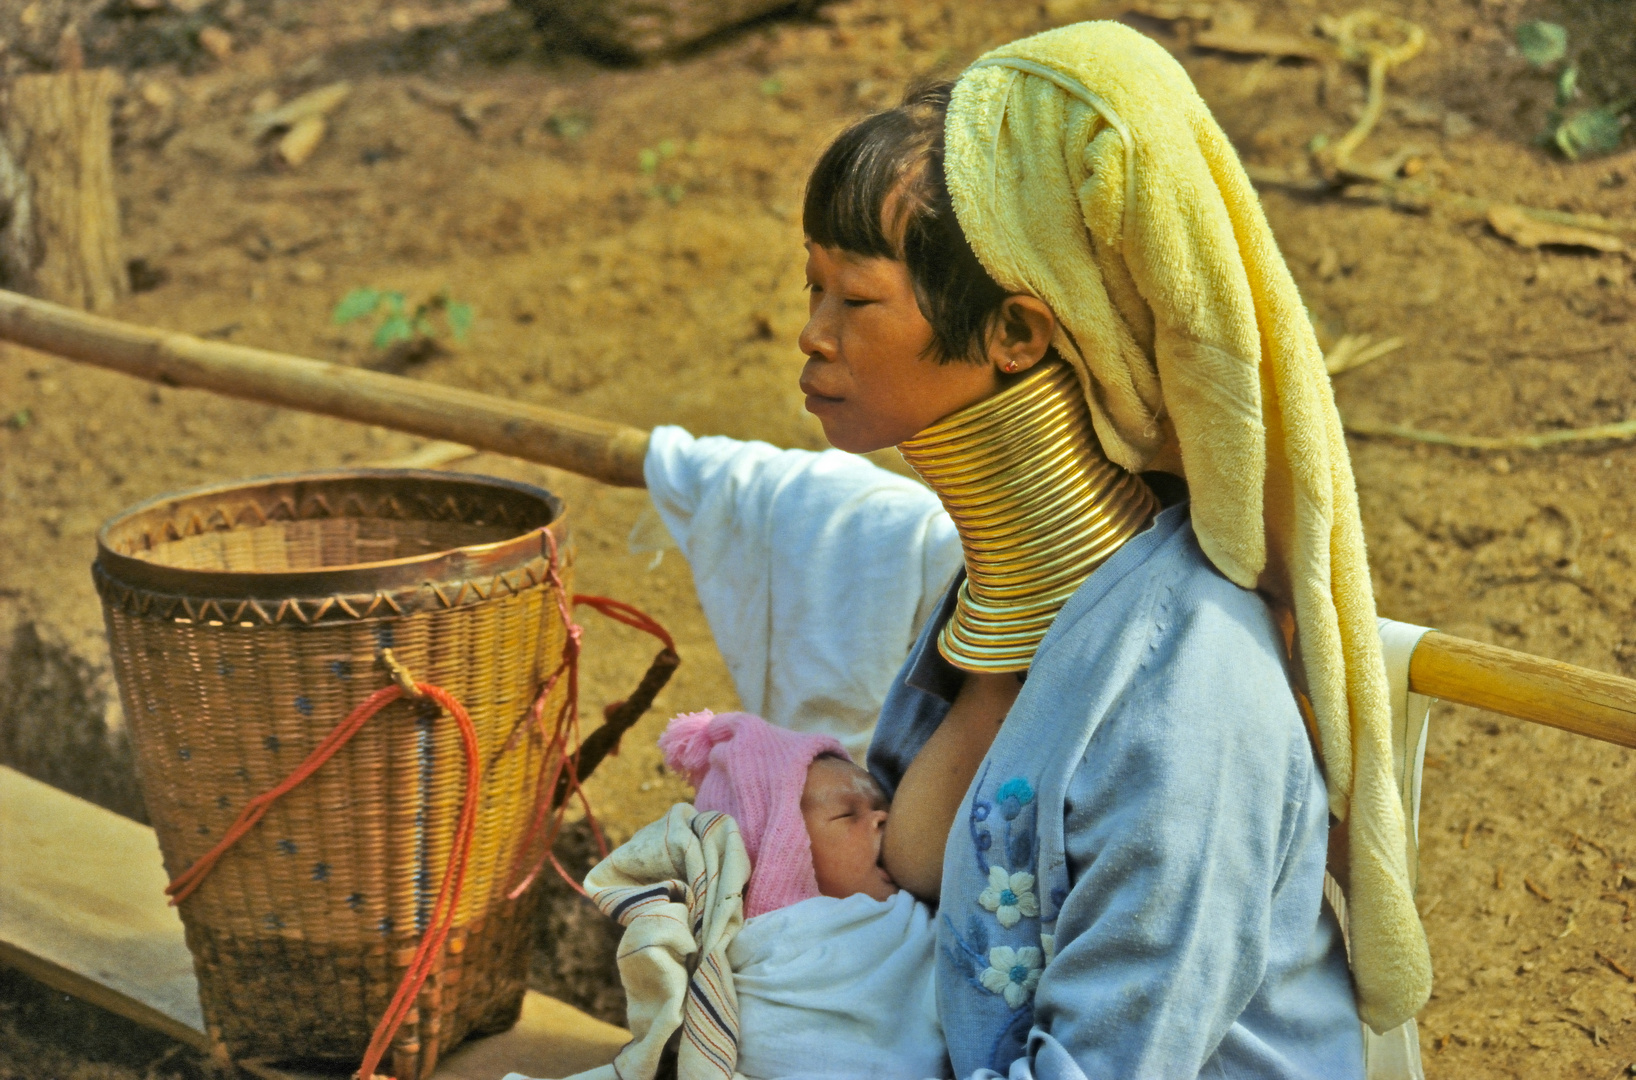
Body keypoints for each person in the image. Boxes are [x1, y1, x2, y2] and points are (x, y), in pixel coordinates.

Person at [641, 19, 1432, 1080]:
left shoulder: (1184, 695)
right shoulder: (990, 607)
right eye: (810, 287)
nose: (813, 333)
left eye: (856, 299)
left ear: (1016, 334)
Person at [507, 709, 948, 1080]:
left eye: (882, 807)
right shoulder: (761, 951)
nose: (881, 821)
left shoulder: (910, 915)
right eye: (848, 813)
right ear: (775, 845)